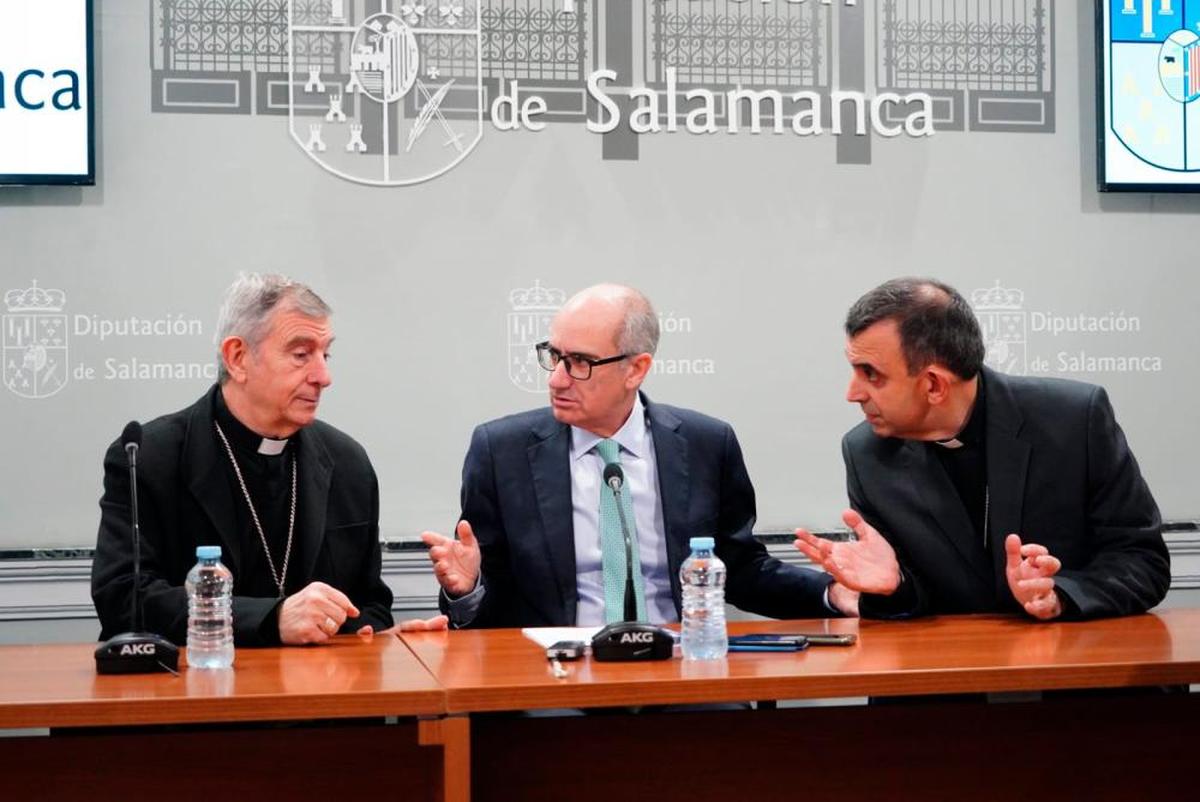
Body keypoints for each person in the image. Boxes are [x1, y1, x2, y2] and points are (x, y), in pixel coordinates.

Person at [421, 284, 853, 628]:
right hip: (552, 678)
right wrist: (468, 588)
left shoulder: (706, 443)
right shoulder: (502, 450)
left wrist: (832, 593)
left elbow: (739, 569)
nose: (556, 379)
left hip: (678, 667)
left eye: (579, 362)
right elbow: (489, 595)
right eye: (554, 357)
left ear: (636, 369)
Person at [795, 278, 1170, 620]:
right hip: (949, 682)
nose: (852, 393)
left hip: (1078, 677)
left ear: (934, 386)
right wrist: (895, 587)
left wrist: (1058, 595)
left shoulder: (1073, 419)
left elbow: (1142, 561)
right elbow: (916, 600)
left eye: (870, 374)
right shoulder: (867, 454)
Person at [91, 274, 395, 646]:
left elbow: (371, 605)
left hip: (319, 697)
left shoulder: (348, 463)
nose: (323, 376)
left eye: (325, 354)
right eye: (301, 355)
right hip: (198, 692)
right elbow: (124, 597)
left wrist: (382, 637)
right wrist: (271, 619)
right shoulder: (149, 457)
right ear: (237, 358)